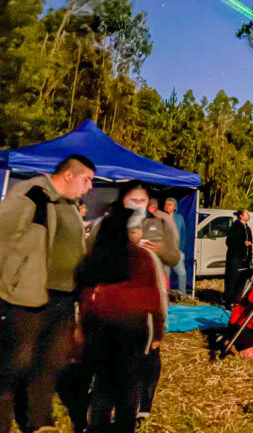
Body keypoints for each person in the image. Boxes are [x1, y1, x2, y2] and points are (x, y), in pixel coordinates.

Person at [0, 154, 95, 433]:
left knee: (51, 363)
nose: (90, 186)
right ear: (68, 175)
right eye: (87, 179)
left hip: (64, 299)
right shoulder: (32, 195)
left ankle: (38, 420)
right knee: (15, 365)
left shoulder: (70, 206)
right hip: (26, 298)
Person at [87, 181, 179, 424]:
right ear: (122, 200)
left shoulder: (156, 223)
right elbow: (90, 258)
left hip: (148, 300)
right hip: (111, 307)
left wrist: (156, 249)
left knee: (147, 358)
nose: (138, 204)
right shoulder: (107, 225)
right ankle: (100, 419)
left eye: (142, 200)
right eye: (133, 200)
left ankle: (143, 405)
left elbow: (173, 255)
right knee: (107, 368)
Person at [224, 209, 253, 307]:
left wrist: (250, 256)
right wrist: (242, 243)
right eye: (247, 213)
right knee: (232, 280)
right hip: (235, 259)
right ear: (241, 216)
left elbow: (250, 245)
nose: (248, 215)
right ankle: (228, 302)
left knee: (242, 281)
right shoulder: (235, 227)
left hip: (245, 260)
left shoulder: (247, 229)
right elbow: (230, 242)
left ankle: (237, 301)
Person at [162, 197, 187, 296]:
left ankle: (182, 293)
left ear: (175, 207)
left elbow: (183, 234)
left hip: (176, 251)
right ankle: (165, 293)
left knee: (182, 272)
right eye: (166, 204)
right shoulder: (161, 218)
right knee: (165, 274)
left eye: (170, 204)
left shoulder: (179, 219)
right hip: (164, 252)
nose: (167, 206)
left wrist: (180, 250)